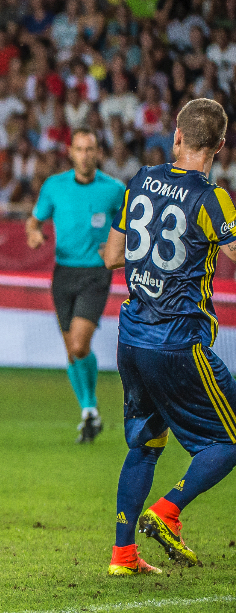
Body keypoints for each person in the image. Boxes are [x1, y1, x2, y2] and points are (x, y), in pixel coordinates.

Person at [101, 98, 236, 575]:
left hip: (132, 339)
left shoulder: (140, 180)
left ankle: (122, 556)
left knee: (145, 443)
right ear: (220, 146)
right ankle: (168, 510)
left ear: (177, 137)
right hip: (178, 342)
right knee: (230, 439)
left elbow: (113, 255)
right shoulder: (211, 197)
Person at [26, 129, 126, 443]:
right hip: (63, 275)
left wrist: (115, 248)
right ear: (70, 152)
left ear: (98, 153)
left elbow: (133, 228)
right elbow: (34, 219)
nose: (85, 155)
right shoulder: (54, 187)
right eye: (79, 149)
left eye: (90, 149)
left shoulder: (114, 190)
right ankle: (89, 411)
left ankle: (89, 408)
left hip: (95, 275)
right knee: (72, 352)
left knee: (80, 345)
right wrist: (33, 233)